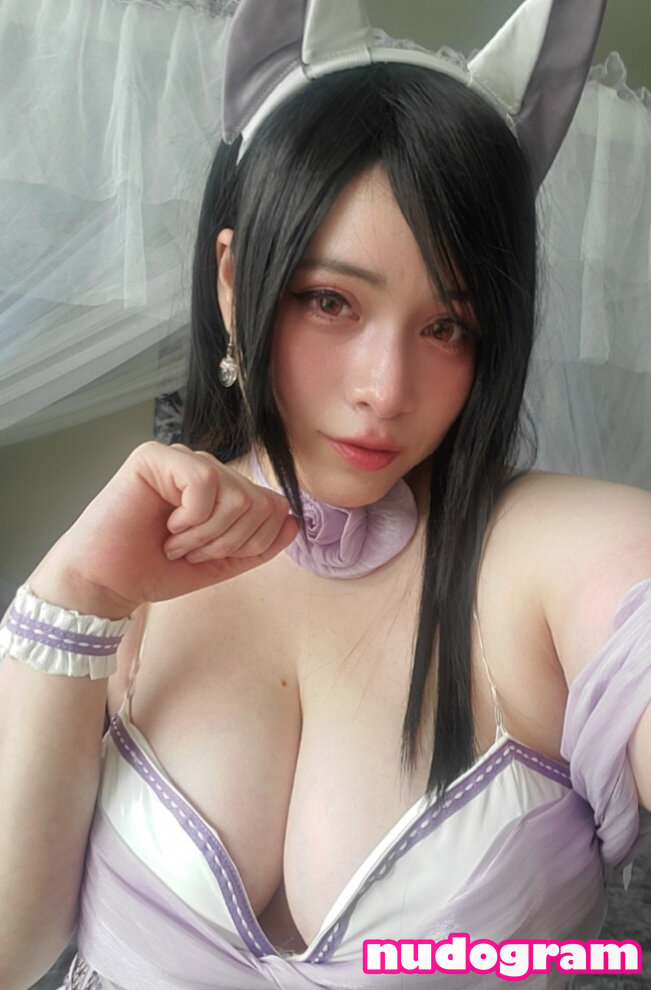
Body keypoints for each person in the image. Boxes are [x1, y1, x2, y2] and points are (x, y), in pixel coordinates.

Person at [1, 1, 650, 988]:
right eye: (331, 301)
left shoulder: (563, 553)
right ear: (234, 282)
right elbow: (13, 952)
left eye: (448, 327)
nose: (386, 390)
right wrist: (78, 597)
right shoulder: (126, 567)